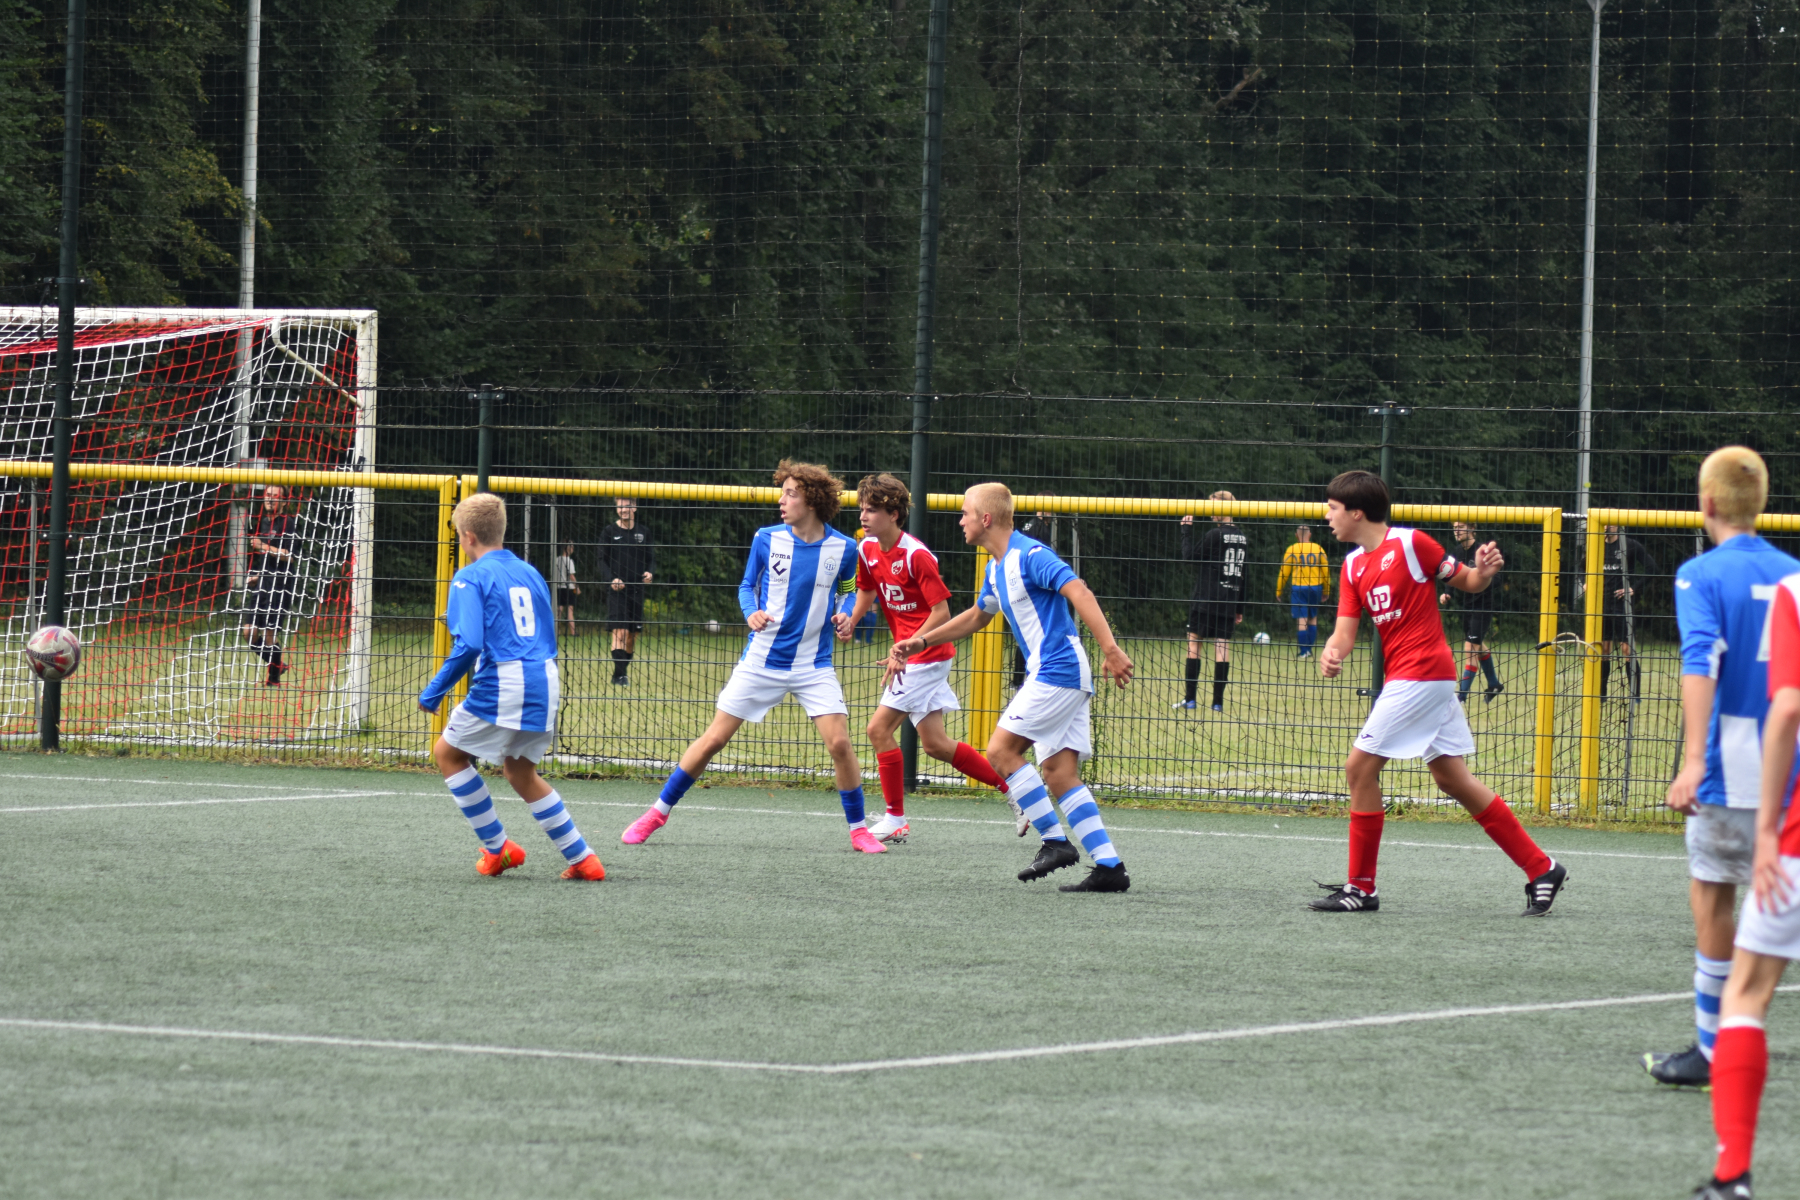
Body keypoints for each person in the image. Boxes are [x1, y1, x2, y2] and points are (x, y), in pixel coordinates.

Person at [1310, 469, 1566, 915]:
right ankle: (1542, 867)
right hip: (1415, 680)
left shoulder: (1411, 544)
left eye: (1332, 508)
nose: (1326, 516)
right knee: (1452, 779)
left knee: (1358, 769)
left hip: (1422, 675)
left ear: (1357, 512)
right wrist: (1332, 653)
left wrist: (1483, 572)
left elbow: (1469, 581)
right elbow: (1344, 632)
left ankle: (1361, 888)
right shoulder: (1352, 565)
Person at [620, 461, 884, 854]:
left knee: (840, 744)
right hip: (761, 660)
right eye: (783, 492)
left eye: (790, 493)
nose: (782, 500)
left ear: (812, 501)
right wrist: (751, 613)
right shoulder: (766, 538)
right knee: (714, 739)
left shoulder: (845, 548)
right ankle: (657, 813)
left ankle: (859, 830)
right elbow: (747, 585)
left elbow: (849, 587)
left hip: (813, 665)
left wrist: (846, 613)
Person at [887, 481, 1134, 892]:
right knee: (1058, 773)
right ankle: (1110, 867)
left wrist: (1110, 649)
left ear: (985, 519)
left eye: (965, 513)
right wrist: (921, 640)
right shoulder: (995, 568)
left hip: (1058, 670)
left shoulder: (1030, 555)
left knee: (1001, 751)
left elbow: (1080, 591)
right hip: (1060, 673)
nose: (960, 520)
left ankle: (1055, 842)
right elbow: (976, 617)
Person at [1645, 447, 1799, 1091]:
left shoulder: (1699, 575)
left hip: (1731, 771)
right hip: (1791, 773)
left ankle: (1712, 1047)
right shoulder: (1795, 574)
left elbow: (1701, 660)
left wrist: (1692, 762)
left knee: (1713, 894)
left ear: (1706, 503)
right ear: (1760, 504)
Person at [417, 493, 604, 882]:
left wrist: (434, 691)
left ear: (468, 537)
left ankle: (497, 848)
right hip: (545, 678)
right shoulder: (529, 572)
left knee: (448, 754)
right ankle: (584, 859)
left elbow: (469, 644)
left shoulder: (469, 576)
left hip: (506, 681)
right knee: (520, 772)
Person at [1691, 548, 1800, 1200]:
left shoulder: (1795, 591)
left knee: (1748, 994)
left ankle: (1732, 1174)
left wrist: (1766, 829)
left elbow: (1786, 710)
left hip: (1796, 837)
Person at [839, 473, 1012, 843]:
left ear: (894, 514)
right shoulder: (867, 549)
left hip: (926, 654)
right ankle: (1014, 790)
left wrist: (908, 646)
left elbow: (942, 613)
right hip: (912, 654)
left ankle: (895, 818)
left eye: (872, 510)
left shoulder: (916, 555)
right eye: (862, 509)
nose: (863, 516)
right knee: (935, 744)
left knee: (877, 730)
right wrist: (851, 620)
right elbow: (867, 591)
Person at [1177, 491, 1247, 711]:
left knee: (1193, 643)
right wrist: (1239, 607)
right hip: (1229, 600)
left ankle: (1190, 699)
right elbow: (1243, 574)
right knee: (1222, 647)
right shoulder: (1242, 537)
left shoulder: (1214, 535)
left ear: (1225, 508)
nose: (1210, 512)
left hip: (1206, 599)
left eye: (1213, 507)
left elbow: (1189, 557)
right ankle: (1217, 703)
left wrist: (1186, 530)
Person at [1438, 521, 1504, 703]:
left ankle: (1461, 697)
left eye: (1460, 527)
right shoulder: (1456, 553)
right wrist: (1447, 593)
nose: (1457, 531)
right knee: (1477, 646)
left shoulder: (1482, 551)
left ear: (1472, 528)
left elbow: (1498, 578)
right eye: (1454, 528)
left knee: (1470, 648)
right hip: (1467, 607)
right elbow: (1450, 575)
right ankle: (1494, 684)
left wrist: (1481, 578)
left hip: (1483, 607)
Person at [1593, 524, 1659, 702]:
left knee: (1627, 650)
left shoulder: (1630, 545)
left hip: (1623, 606)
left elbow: (1652, 569)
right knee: (1603, 649)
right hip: (1601, 606)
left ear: (1619, 525)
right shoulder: (1595, 544)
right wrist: (1585, 583)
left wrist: (1633, 588)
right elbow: (1581, 568)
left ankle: (1635, 695)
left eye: (1612, 522)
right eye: (1605, 522)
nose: (1608, 526)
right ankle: (1601, 695)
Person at [241, 484, 296, 687]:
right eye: (268, 495)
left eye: (275, 496)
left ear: (283, 501)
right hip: (263, 583)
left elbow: (289, 556)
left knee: (270, 633)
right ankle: (278, 665)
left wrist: (262, 545)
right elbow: (266, 558)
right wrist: (257, 576)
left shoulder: (288, 523)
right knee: (249, 632)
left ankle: (273, 680)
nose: (270, 499)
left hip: (280, 585)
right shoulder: (263, 523)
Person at [598, 497, 654, 686]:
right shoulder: (609, 532)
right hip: (617, 591)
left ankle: (619, 673)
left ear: (634, 507)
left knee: (632, 636)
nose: (623, 510)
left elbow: (651, 559)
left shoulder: (644, 532)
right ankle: (621, 676)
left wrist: (649, 573)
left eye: (627, 506)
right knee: (619, 632)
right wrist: (611, 579)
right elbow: (601, 560)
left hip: (637, 591)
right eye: (620, 506)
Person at [1010, 509, 1055, 687]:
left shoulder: (1031, 526)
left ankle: (1018, 679)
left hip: (1021, 582)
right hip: (1032, 586)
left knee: (1026, 634)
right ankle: (1028, 678)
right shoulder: (1039, 529)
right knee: (1033, 635)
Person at [1276, 523, 1331, 659]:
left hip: (1298, 588)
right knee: (1313, 618)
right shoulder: (1318, 549)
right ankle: (1309, 650)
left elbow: (1284, 572)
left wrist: (1279, 591)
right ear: (1310, 535)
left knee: (1302, 619)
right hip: (1315, 587)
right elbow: (1326, 571)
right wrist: (1326, 590)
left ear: (1296, 535)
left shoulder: (1292, 549)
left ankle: (1303, 651)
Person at [550, 540, 580, 639]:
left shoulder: (556, 560)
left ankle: (556, 630)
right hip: (568, 587)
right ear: (569, 548)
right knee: (570, 610)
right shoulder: (569, 561)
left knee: (559, 610)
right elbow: (571, 575)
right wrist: (577, 586)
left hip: (558, 587)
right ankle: (573, 632)